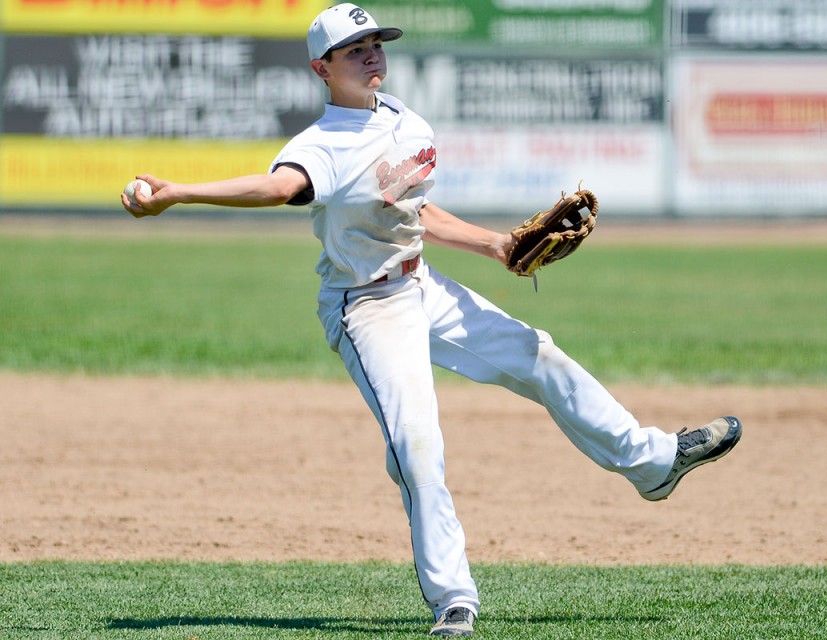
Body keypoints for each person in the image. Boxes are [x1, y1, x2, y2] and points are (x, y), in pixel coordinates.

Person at [121, 3, 742, 636]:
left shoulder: (404, 121)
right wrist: (177, 194)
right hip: (365, 308)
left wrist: (496, 245)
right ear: (322, 68)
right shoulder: (320, 147)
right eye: (354, 48)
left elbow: (414, 209)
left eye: (375, 43)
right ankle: (454, 599)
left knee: (540, 355)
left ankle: (654, 463)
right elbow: (279, 189)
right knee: (417, 447)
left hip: (420, 285)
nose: (372, 53)